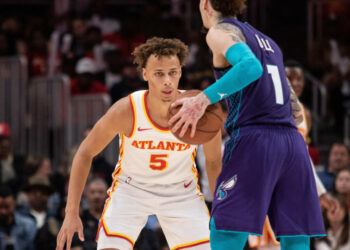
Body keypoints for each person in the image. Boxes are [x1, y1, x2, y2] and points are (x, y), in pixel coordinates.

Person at [169, 1, 325, 249]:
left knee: (226, 229)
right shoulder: (268, 42)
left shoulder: (219, 31)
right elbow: (294, 109)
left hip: (256, 139)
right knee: (295, 236)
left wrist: (202, 100)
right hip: (292, 143)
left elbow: (250, 67)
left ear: (205, 4)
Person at [56, 37, 222, 250]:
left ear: (181, 71)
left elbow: (214, 161)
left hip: (181, 191)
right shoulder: (125, 111)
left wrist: (221, 210)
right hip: (131, 189)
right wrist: (71, 213)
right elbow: (84, 153)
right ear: (145, 74)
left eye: (172, 72)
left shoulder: (200, 110)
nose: (167, 81)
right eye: (159, 74)